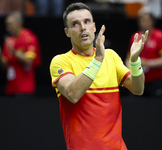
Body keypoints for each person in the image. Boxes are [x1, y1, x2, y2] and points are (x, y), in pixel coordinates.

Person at [50, 2, 148, 150]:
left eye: (86, 21)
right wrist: (97, 60)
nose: (83, 27)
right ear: (67, 32)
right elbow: (73, 93)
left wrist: (134, 62)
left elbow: (138, 89)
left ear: (94, 26)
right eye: (75, 24)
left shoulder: (111, 56)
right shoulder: (61, 61)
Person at [125, 10, 162, 96]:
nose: (144, 23)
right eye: (142, 20)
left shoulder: (160, 36)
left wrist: (149, 63)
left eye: (147, 20)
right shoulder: (134, 37)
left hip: (155, 80)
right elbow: (128, 59)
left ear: (152, 21)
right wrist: (131, 70)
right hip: (137, 80)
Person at [0, 12, 41, 97]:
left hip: (25, 88)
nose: (8, 28)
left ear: (19, 23)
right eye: (6, 25)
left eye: (10, 24)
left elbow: (29, 61)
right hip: (11, 87)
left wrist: (14, 52)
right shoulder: (9, 41)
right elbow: (5, 65)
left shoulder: (29, 38)